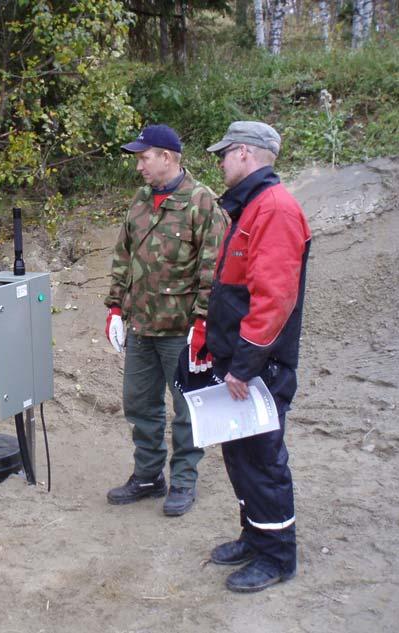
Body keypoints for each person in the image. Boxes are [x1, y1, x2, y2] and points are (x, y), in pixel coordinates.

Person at [202, 121, 311, 592]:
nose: (221, 161)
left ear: (245, 153)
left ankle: (277, 556)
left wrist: (245, 365)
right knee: (241, 454)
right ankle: (255, 536)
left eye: (224, 153)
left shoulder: (275, 209)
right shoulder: (252, 205)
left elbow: (274, 297)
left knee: (262, 457)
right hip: (242, 360)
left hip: (259, 365)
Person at [104, 124, 228, 516]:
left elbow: (216, 269)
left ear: (168, 157)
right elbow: (123, 257)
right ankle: (148, 475)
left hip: (182, 330)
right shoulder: (140, 202)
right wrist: (115, 308)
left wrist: (204, 323)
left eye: (144, 157)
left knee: (187, 407)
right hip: (141, 325)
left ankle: (184, 479)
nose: (139, 166)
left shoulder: (201, 202)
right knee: (138, 402)